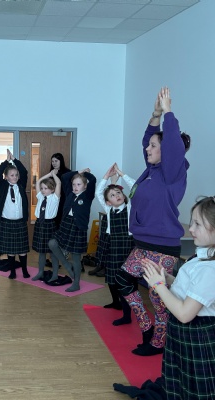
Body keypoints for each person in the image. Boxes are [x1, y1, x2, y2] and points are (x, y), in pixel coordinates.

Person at [115, 87, 191, 356]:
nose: (147, 148)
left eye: (153, 146)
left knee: (158, 298)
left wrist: (168, 111)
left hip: (161, 246)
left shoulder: (173, 172)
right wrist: (155, 115)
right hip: (143, 243)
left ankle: (159, 342)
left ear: (167, 151)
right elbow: (148, 139)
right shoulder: (152, 170)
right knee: (123, 279)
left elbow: (172, 145)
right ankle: (147, 328)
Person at [142, 196, 215, 399]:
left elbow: (184, 314)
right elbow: (189, 290)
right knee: (181, 378)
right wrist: (166, 278)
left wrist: (158, 285)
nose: (190, 229)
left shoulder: (210, 270)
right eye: (192, 222)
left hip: (196, 333)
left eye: (198, 224)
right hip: (184, 333)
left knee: (195, 386)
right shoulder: (202, 256)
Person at [93, 163, 135, 326]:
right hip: (113, 245)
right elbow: (98, 192)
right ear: (108, 202)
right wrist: (106, 176)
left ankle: (127, 314)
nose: (117, 195)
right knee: (111, 278)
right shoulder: (109, 210)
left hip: (126, 246)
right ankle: (115, 302)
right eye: (112, 195)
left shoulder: (129, 207)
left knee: (125, 281)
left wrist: (122, 174)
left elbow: (136, 188)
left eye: (118, 192)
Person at [48, 168, 96, 292]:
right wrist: (78, 171)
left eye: (79, 184)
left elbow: (93, 179)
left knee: (76, 257)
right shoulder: (70, 193)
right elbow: (64, 177)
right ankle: (66, 266)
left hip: (78, 227)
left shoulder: (88, 195)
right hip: (66, 224)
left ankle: (76, 283)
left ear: (85, 186)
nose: (75, 187)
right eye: (74, 184)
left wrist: (84, 174)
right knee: (52, 243)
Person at [0, 149, 30, 279]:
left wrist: (14, 160)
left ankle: (24, 270)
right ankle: (12, 271)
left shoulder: (21, 184)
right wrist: (6, 161)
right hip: (7, 221)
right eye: (12, 175)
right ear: (6, 177)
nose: (14, 177)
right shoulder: (2, 185)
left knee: (22, 249)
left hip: (20, 222)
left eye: (16, 175)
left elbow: (24, 171)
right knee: (10, 250)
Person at [31, 170, 61, 281]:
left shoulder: (55, 198)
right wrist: (49, 174)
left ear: (52, 189)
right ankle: (40, 272)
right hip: (40, 224)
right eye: (42, 188)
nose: (43, 190)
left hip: (50, 225)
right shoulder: (40, 196)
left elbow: (58, 183)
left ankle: (55, 274)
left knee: (52, 252)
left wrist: (54, 175)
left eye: (46, 188)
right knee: (41, 251)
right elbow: (38, 181)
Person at [50, 153, 71, 229]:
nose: (54, 163)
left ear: (61, 161)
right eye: (52, 161)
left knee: (62, 220)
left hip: (64, 199)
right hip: (53, 199)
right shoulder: (51, 173)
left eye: (56, 161)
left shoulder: (68, 172)